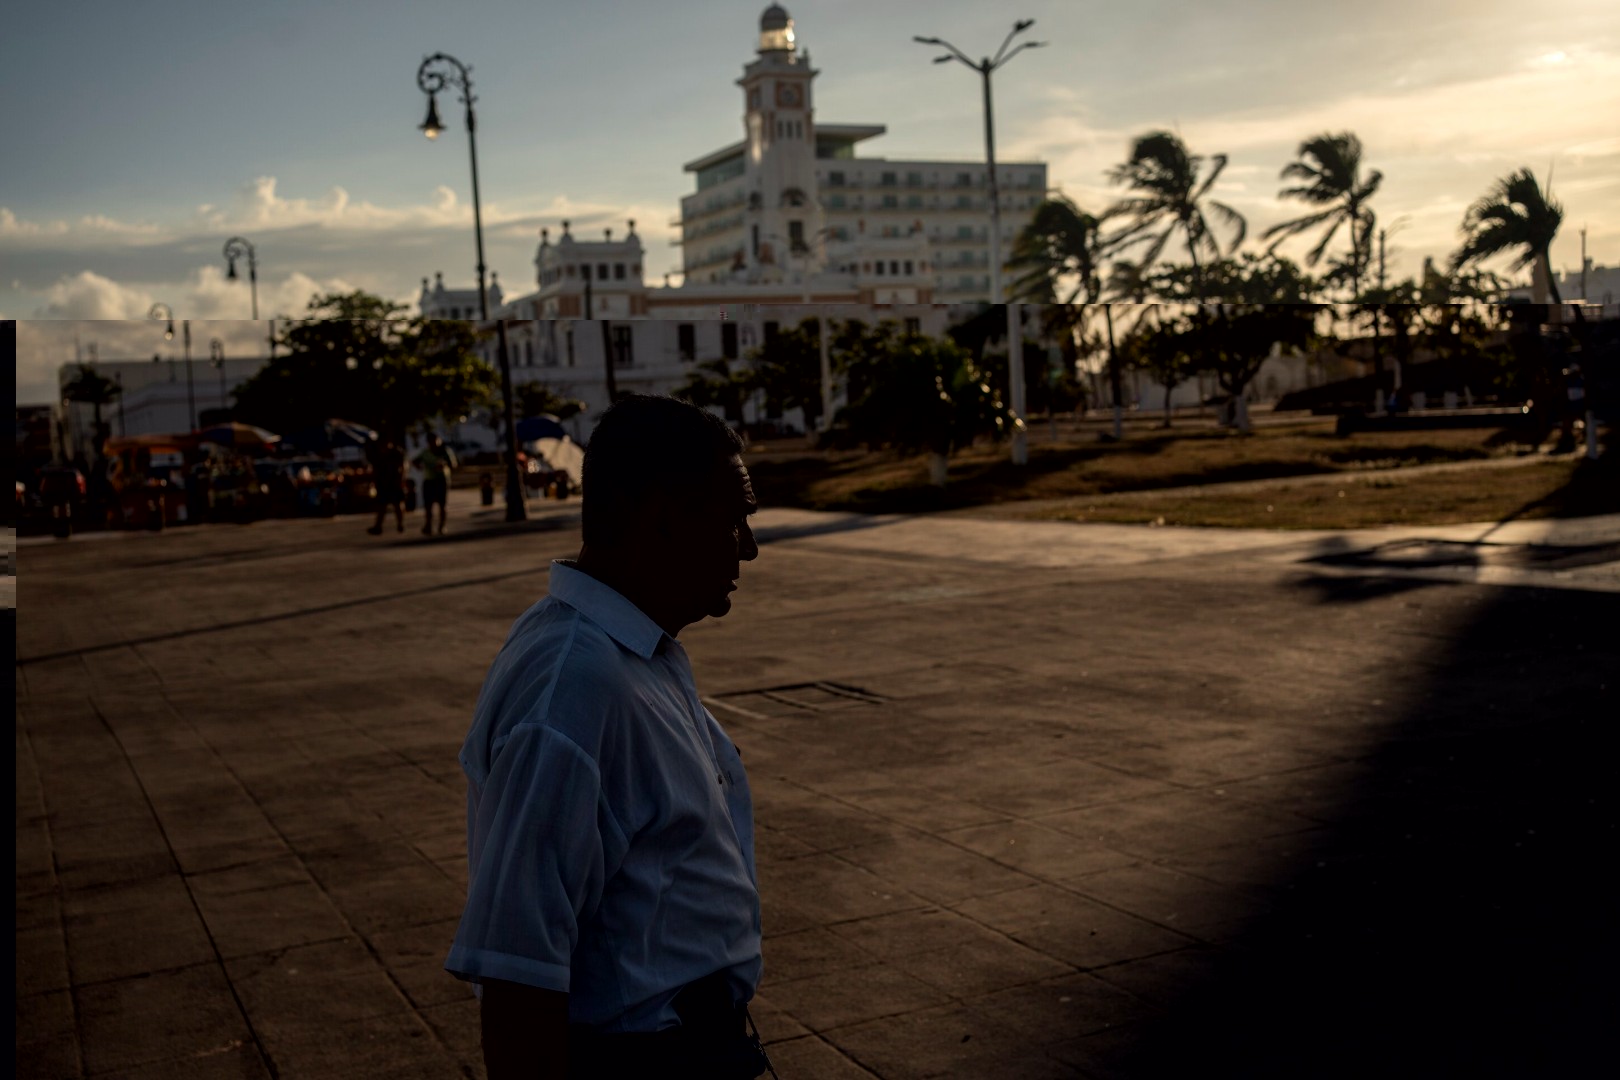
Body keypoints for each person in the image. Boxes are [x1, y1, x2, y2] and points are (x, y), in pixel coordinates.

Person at [445, 395, 768, 1080]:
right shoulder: (574, 689)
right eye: (734, 517)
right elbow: (518, 975)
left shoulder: (631, 653)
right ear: (662, 520)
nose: (749, 545)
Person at [414, 433, 458, 535]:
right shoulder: (425, 452)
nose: (433, 443)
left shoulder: (445, 451)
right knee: (428, 506)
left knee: (442, 505)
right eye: (430, 441)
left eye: (435, 440)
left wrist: (445, 465)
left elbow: (454, 464)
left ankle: (442, 526)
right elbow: (415, 461)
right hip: (429, 480)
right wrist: (420, 467)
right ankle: (428, 525)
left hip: (441, 480)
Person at [366, 438, 407, 535]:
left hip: (394, 482)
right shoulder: (378, 455)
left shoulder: (396, 453)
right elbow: (375, 469)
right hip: (383, 483)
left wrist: (401, 480)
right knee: (381, 505)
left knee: (397, 504)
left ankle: (400, 524)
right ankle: (378, 526)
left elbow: (403, 467)